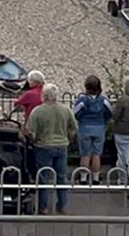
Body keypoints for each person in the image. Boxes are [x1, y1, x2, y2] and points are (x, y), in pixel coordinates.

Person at [26, 83, 75, 214]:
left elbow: (31, 132)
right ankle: (63, 205)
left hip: (44, 147)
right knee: (61, 177)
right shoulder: (65, 110)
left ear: (45, 96)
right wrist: (68, 138)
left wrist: (34, 141)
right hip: (62, 145)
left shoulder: (37, 111)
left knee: (43, 178)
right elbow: (74, 128)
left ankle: (44, 207)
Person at [72, 76, 111, 182]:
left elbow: (75, 113)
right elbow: (109, 113)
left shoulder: (82, 100)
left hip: (85, 128)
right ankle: (96, 177)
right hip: (99, 127)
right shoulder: (103, 100)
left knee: (85, 154)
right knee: (96, 153)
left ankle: (83, 177)